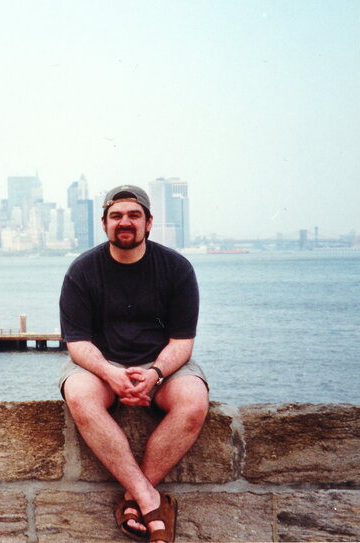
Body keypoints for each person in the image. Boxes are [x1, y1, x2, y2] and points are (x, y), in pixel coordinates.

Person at [59, 185, 209, 543]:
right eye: (116, 216)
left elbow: (182, 342)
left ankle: (131, 499)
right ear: (104, 224)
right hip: (101, 365)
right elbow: (78, 344)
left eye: (133, 215)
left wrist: (156, 374)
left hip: (162, 365)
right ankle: (148, 500)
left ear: (149, 223)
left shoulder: (176, 268)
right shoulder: (82, 271)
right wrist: (110, 373)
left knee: (193, 400)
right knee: (79, 394)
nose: (124, 223)